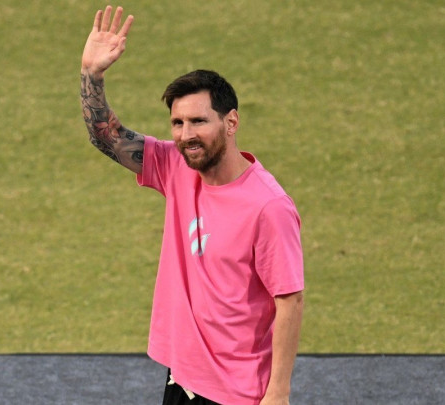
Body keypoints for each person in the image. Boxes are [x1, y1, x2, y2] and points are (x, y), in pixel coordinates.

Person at [80, 6, 304, 405]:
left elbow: (289, 300)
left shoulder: (269, 206)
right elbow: (106, 137)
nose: (186, 135)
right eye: (177, 123)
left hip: (237, 391)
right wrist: (91, 76)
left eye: (198, 121)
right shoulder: (176, 166)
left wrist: (278, 392)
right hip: (182, 377)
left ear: (231, 122)